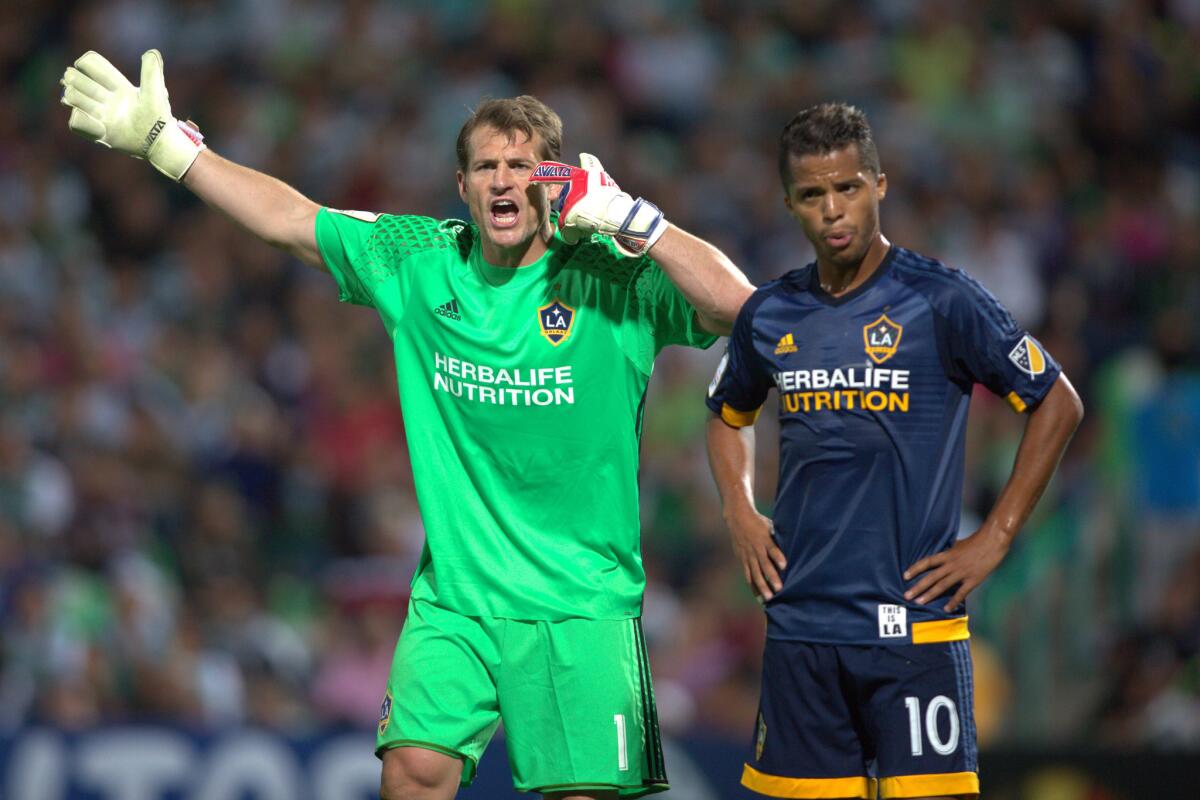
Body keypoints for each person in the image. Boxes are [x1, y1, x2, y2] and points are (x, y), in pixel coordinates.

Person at [60, 49, 754, 800]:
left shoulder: (613, 274)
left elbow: (743, 310)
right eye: (486, 166)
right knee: (414, 770)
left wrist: (635, 221)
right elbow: (294, 222)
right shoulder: (420, 261)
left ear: (556, 181)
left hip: (580, 604)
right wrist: (171, 147)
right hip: (457, 594)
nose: (503, 180)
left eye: (522, 165)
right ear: (463, 186)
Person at [704, 103, 1083, 799]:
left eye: (848, 187)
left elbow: (1057, 401)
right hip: (802, 626)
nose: (833, 210)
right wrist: (739, 509)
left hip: (914, 628)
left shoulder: (941, 300)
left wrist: (995, 538)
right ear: (790, 203)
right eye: (813, 195)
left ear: (881, 184)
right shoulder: (770, 313)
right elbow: (726, 415)